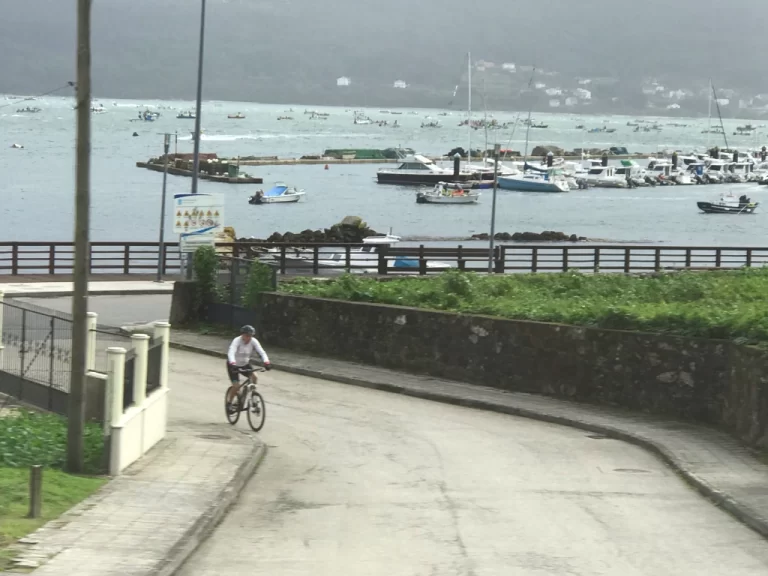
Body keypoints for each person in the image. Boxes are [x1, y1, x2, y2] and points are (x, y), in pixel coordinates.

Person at [226, 325, 270, 410]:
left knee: (255, 377)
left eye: (251, 336)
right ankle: (229, 403)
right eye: (247, 335)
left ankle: (252, 396)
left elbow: (262, 352)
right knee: (236, 386)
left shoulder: (254, 341)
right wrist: (233, 363)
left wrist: (266, 362)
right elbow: (231, 352)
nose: (249, 338)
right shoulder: (237, 341)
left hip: (245, 364)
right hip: (233, 365)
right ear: (242, 334)